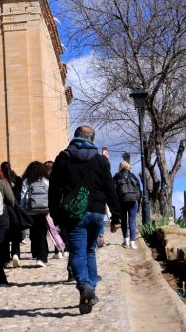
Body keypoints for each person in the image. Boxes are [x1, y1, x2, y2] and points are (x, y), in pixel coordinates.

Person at [49, 126, 119, 315]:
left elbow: (54, 189)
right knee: (90, 250)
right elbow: (110, 189)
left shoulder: (63, 158)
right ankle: (92, 290)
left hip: (74, 213)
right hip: (96, 212)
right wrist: (116, 217)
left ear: (75, 137)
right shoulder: (100, 160)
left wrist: (55, 214)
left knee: (78, 251)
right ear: (92, 139)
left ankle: (85, 285)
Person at [21, 161, 51, 266]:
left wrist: (22, 210)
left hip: (31, 210)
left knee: (34, 234)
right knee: (42, 233)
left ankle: (37, 254)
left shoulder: (26, 181)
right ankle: (42, 257)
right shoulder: (46, 180)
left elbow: (23, 197)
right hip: (44, 209)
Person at [113, 159, 142, 249]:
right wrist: (138, 203)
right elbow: (139, 191)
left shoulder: (117, 177)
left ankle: (126, 240)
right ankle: (133, 242)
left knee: (124, 221)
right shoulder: (133, 176)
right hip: (134, 201)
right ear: (128, 167)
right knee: (132, 221)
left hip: (122, 202)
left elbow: (113, 191)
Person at [0, 161, 24, 268]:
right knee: (15, 233)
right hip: (15, 208)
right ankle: (15, 254)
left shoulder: (0, 180)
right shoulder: (16, 178)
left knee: (4, 235)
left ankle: (5, 259)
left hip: (3, 209)